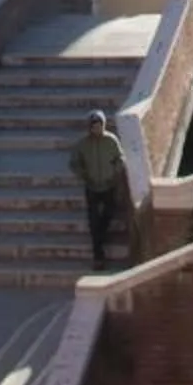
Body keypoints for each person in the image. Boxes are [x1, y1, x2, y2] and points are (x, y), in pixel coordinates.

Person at [69, 110, 125, 268]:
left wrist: (114, 172)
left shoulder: (111, 141)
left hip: (109, 185)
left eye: (99, 126)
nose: (97, 129)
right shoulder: (83, 144)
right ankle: (98, 257)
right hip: (92, 186)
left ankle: (100, 234)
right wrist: (84, 175)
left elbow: (120, 158)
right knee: (93, 221)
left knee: (108, 213)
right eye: (94, 127)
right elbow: (74, 163)